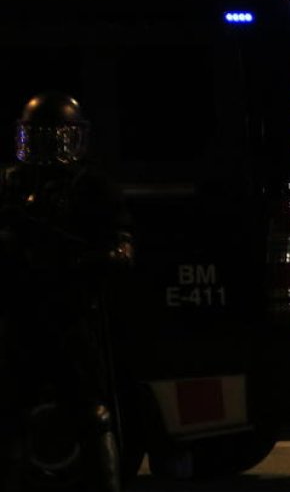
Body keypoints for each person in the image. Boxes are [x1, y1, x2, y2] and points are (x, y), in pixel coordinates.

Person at [0, 92, 132, 492]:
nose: (46, 149)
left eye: (55, 138)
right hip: (19, 315)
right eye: (37, 137)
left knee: (92, 414)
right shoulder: (10, 184)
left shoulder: (91, 187)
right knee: (9, 414)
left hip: (70, 314)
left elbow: (121, 246)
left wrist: (85, 259)